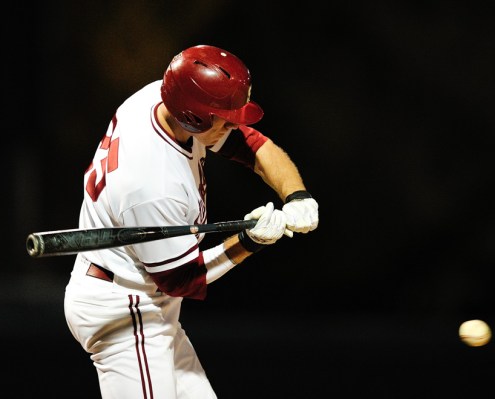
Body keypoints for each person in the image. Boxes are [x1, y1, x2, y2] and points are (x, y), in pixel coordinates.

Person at [63, 44, 319, 399]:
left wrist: (296, 194)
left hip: (139, 291)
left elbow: (252, 145)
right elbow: (181, 279)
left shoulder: (166, 96)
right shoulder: (153, 183)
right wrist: (250, 241)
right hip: (125, 309)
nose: (234, 125)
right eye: (226, 119)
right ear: (194, 117)